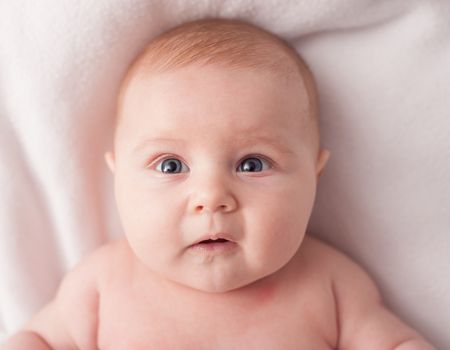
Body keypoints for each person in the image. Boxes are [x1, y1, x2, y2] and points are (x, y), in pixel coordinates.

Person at [2, 18, 435, 349]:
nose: (211, 197)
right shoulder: (102, 283)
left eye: (251, 164)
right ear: (118, 177)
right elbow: (37, 340)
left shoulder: (330, 285)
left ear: (313, 177)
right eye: (170, 166)